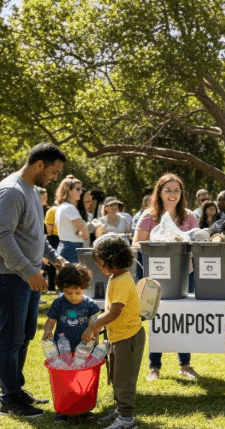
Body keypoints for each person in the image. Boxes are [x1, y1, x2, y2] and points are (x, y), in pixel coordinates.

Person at [0, 142, 66, 418]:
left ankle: (15, 390)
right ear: (39, 165)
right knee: (9, 338)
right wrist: (28, 271)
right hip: (12, 277)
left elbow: (34, 234)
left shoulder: (31, 191)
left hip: (28, 277)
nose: (55, 178)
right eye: (54, 172)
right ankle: (9, 398)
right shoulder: (12, 191)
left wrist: (55, 257)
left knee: (24, 335)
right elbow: (3, 236)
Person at [132, 173, 200, 382]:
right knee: (157, 319)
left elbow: (198, 241)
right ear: (159, 192)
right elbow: (136, 244)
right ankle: (154, 368)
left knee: (183, 319)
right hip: (156, 277)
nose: (173, 194)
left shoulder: (189, 216)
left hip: (183, 275)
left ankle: (185, 365)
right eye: (168, 190)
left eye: (176, 190)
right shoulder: (148, 216)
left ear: (182, 193)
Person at [82, 235, 145, 429]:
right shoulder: (116, 278)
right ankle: (119, 410)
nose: (99, 267)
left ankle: (127, 419)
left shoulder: (123, 281)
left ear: (113, 259)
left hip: (129, 338)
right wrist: (100, 326)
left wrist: (93, 326)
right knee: (116, 376)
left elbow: (115, 311)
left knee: (124, 379)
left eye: (101, 263)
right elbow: (113, 311)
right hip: (120, 336)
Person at [42, 263, 100, 423]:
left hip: (84, 351)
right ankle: (62, 410)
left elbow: (96, 324)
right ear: (61, 289)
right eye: (68, 293)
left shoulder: (89, 304)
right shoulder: (59, 303)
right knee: (64, 380)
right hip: (63, 351)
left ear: (85, 287)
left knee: (83, 380)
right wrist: (47, 330)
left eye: (78, 292)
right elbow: (50, 322)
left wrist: (95, 336)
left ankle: (84, 408)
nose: (73, 296)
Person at [54, 175, 90, 263]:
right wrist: (81, 232)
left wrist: (80, 232)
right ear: (68, 190)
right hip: (72, 249)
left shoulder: (61, 206)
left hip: (65, 247)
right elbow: (86, 234)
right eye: (78, 189)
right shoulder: (70, 208)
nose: (81, 191)